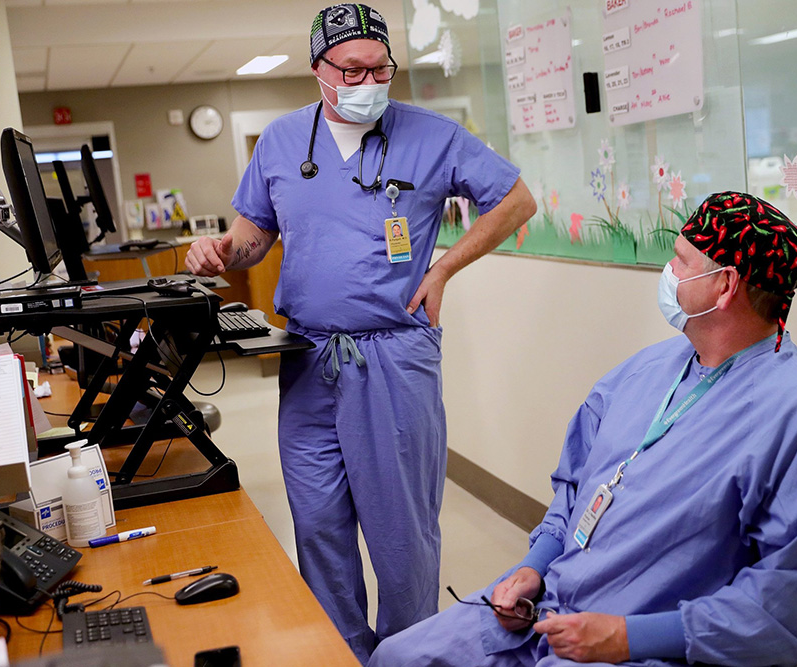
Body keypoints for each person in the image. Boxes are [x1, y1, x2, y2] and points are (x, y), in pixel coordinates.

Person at [368, 192, 797, 667]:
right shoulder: (648, 370)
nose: (667, 271)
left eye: (681, 260)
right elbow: (574, 486)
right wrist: (535, 566)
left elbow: (789, 605)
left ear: (725, 286)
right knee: (395, 656)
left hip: (652, 645)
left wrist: (626, 638)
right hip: (547, 609)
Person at [185, 4, 536, 662]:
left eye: (381, 68)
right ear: (318, 70)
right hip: (308, 356)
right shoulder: (282, 143)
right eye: (353, 69)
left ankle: (407, 654)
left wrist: (445, 267)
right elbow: (252, 237)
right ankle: (341, 650)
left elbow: (516, 199)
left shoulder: (431, 135)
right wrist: (220, 252)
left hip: (393, 356)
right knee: (317, 522)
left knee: (400, 533)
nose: (369, 80)